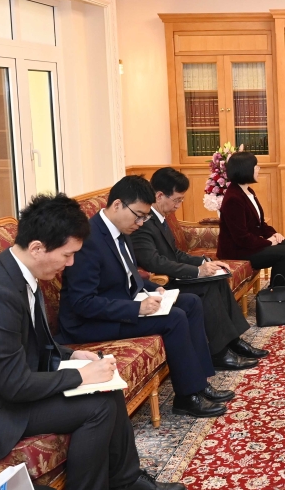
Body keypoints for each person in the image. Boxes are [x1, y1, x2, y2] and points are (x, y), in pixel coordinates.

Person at [0, 194, 184, 490]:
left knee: (109, 389)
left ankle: (125, 482)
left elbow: (32, 342)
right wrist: (80, 375)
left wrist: (73, 354)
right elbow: (14, 386)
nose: (71, 263)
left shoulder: (19, 272)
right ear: (38, 248)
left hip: (5, 385)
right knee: (98, 406)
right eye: (67, 255)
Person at [59, 175, 231, 418]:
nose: (141, 222)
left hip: (122, 303)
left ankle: (201, 383)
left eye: (145, 217)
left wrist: (151, 289)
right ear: (117, 205)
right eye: (138, 215)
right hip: (88, 323)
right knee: (174, 318)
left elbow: (130, 275)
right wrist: (136, 309)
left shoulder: (121, 229)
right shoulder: (88, 240)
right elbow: (82, 303)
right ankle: (187, 397)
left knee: (190, 302)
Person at [132, 167, 267, 371]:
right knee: (207, 288)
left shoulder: (161, 218)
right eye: (177, 200)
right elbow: (155, 262)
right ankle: (218, 354)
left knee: (218, 279)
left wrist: (204, 262)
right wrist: (197, 272)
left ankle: (233, 342)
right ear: (159, 196)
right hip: (165, 281)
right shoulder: (144, 223)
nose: (179, 205)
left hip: (175, 273)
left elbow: (174, 253)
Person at [216, 151, 285, 287]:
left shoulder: (247, 191)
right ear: (246, 169)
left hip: (249, 246)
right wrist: (267, 243)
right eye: (256, 166)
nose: (259, 169)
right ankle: (279, 295)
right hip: (238, 251)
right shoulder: (233, 198)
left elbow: (260, 224)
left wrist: (273, 234)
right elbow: (241, 237)